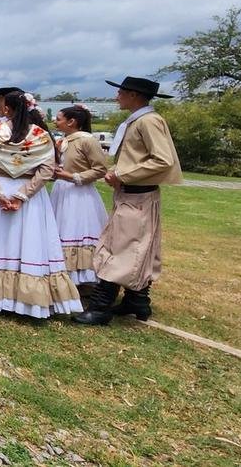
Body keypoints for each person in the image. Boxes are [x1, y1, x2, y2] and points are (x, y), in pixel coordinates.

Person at [0, 91, 82, 318]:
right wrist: (22, 195)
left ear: (6, 109)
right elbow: (47, 169)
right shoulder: (40, 135)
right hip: (30, 194)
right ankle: (28, 301)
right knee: (29, 243)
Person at [75, 77, 181, 326]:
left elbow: (162, 160)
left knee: (119, 247)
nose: (117, 97)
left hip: (138, 195)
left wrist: (121, 174)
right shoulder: (139, 120)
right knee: (136, 245)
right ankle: (137, 300)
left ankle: (101, 307)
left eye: (121, 92)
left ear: (133, 95)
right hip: (133, 194)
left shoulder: (149, 121)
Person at [50, 104, 109, 286]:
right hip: (61, 191)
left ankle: (82, 277)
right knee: (60, 228)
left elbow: (100, 169)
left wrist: (72, 176)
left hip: (79, 194)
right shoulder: (65, 140)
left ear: (71, 121)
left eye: (58, 119)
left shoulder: (87, 140)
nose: (55, 122)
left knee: (75, 228)